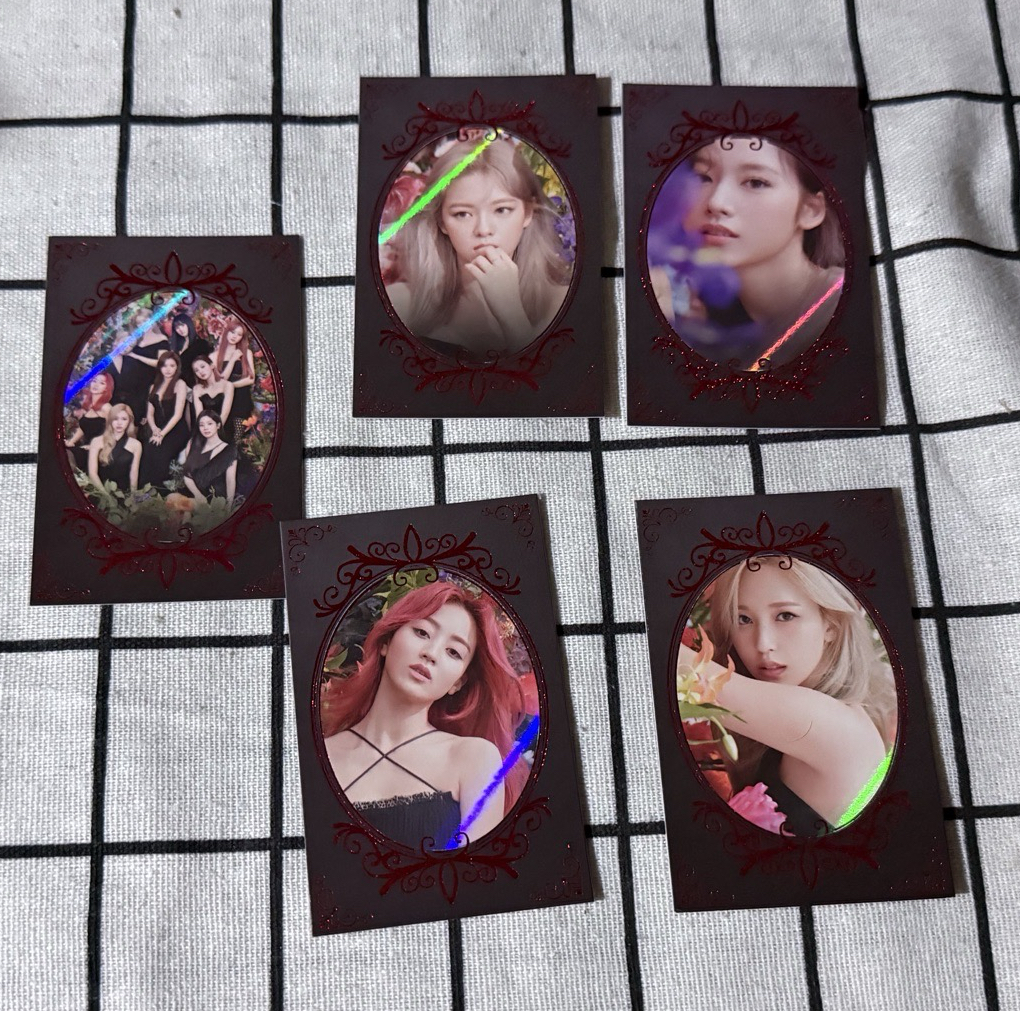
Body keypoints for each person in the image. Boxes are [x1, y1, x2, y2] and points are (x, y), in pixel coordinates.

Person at [681, 556, 896, 835]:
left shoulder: (827, 723)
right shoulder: (832, 716)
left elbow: (677, 669)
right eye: (743, 619)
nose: (763, 644)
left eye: (785, 616)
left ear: (830, 625)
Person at [320, 580, 529, 849]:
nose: (431, 653)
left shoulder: (474, 758)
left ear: (458, 682)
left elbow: (478, 871)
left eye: (453, 652)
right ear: (386, 641)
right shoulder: (322, 754)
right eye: (422, 632)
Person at [651, 136, 844, 371]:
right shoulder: (697, 318)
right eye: (703, 177)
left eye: (755, 182)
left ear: (810, 209)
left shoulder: (839, 309)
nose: (716, 202)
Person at [384, 136, 572, 360]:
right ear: (441, 221)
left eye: (501, 210)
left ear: (528, 213)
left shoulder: (562, 305)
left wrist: (513, 317)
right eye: (462, 214)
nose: (483, 230)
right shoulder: (399, 305)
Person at [139, 351, 189, 490]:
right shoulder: (153, 387)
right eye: (164, 366)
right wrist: (155, 429)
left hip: (176, 429)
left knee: (161, 453)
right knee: (148, 450)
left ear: (177, 367)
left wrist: (162, 434)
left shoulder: (180, 384)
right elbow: (150, 414)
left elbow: (178, 414)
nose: (168, 369)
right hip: (158, 428)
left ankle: (160, 491)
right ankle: (145, 490)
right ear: (160, 367)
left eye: (172, 366)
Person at [111, 307, 171, 422]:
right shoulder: (135, 340)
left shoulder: (161, 339)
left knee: (141, 416)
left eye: (144, 321)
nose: (142, 325)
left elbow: (161, 363)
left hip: (148, 383)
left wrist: (137, 356)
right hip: (130, 383)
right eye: (139, 323)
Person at [180, 410, 237, 507]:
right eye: (201, 425)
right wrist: (198, 495)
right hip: (193, 494)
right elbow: (187, 473)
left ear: (218, 425)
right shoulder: (193, 443)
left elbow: (230, 480)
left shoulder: (229, 450)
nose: (205, 428)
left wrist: (229, 506)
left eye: (210, 424)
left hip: (216, 499)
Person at [213, 317, 256, 441]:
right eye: (232, 332)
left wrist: (231, 386)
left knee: (237, 439)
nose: (234, 336)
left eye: (239, 334)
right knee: (222, 436)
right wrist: (232, 360)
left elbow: (251, 379)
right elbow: (218, 381)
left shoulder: (246, 353)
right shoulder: (217, 355)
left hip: (241, 399)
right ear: (226, 332)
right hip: (222, 400)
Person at [87, 403, 142, 495]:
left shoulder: (136, 445)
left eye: (124, 419)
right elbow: (93, 474)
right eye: (115, 419)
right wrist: (106, 496)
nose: (119, 423)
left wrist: (133, 497)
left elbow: (134, 474)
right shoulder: (96, 442)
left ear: (129, 421)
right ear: (110, 420)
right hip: (100, 491)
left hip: (124, 494)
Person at [65, 373, 114, 471]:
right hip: (84, 447)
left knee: (68, 456)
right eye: (94, 381)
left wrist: (95, 445)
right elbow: (83, 428)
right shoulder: (88, 405)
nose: (96, 385)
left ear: (106, 388)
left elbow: (113, 431)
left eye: (101, 383)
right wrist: (71, 441)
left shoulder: (106, 407)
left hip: (99, 450)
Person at [189, 354, 234, 432]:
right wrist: (205, 431)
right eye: (196, 370)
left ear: (212, 366)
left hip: (223, 427)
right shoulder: (197, 389)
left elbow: (225, 414)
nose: (200, 371)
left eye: (202, 367)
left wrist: (214, 432)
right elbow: (199, 415)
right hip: (205, 430)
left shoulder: (227, 385)